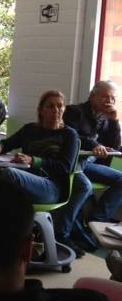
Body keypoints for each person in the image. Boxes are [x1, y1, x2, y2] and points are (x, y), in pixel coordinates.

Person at [0, 90, 88, 257]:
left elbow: (66, 167)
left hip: (52, 187)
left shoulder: (69, 134)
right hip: (28, 182)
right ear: (41, 110)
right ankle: (12, 238)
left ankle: (6, 237)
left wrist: (34, 160)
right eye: (51, 106)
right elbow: (8, 143)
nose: (56, 110)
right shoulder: (30, 129)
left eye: (60, 106)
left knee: (10, 174)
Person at [63, 81, 122, 230]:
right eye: (105, 97)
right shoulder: (74, 111)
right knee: (84, 188)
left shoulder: (105, 118)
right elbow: (71, 136)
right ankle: (93, 223)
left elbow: (114, 146)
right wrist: (95, 145)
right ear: (92, 96)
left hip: (90, 165)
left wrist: (114, 121)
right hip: (73, 163)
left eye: (113, 98)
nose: (109, 101)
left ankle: (96, 220)